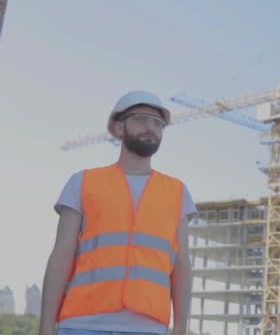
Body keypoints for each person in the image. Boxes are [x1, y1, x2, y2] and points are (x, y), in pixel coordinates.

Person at [38, 91, 197, 335]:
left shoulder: (177, 192)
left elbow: (182, 266)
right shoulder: (83, 182)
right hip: (82, 325)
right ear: (118, 127)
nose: (151, 128)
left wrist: (180, 329)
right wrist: (46, 328)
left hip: (148, 327)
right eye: (141, 119)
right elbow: (61, 256)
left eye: (159, 124)